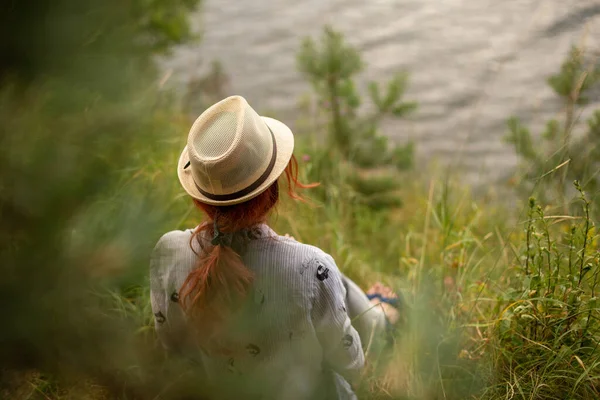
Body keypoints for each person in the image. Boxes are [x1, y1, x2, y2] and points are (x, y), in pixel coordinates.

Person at [150, 96, 400, 400]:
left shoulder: (168, 252)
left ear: (198, 198)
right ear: (271, 190)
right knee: (327, 278)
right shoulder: (309, 265)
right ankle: (382, 315)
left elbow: (174, 350)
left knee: (324, 276)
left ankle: (379, 314)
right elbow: (352, 365)